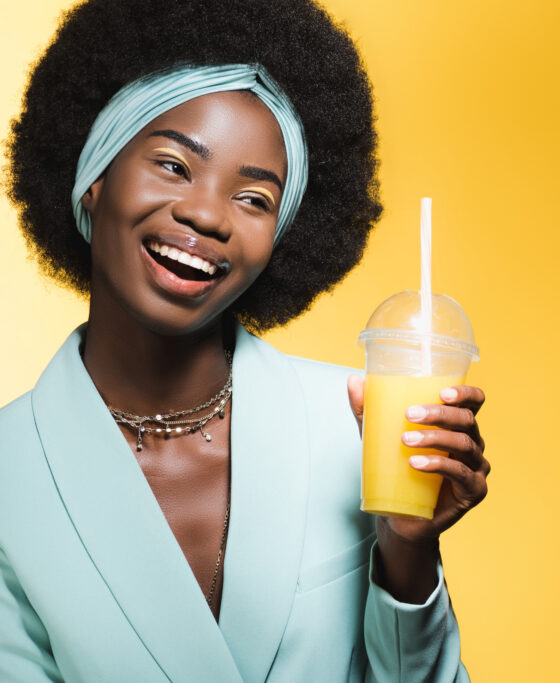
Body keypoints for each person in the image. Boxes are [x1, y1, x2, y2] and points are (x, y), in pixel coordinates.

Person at [0, 0, 489, 681]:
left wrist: (407, 557)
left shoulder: (360, 428)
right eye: (173, 165)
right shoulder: (9, 473)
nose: (205, 213)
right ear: (92, 181)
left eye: (255, 198)